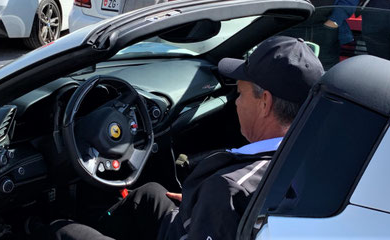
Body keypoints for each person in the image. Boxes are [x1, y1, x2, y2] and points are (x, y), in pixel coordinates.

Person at [51, 36, 324, 240]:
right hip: (205, 223)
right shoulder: (319, 152)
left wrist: (213, 204)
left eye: (240, 93)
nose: (236, 103)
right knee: (149, 195)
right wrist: (203, 205)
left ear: (264, 102)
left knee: (62, 232)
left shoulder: (229, 189)